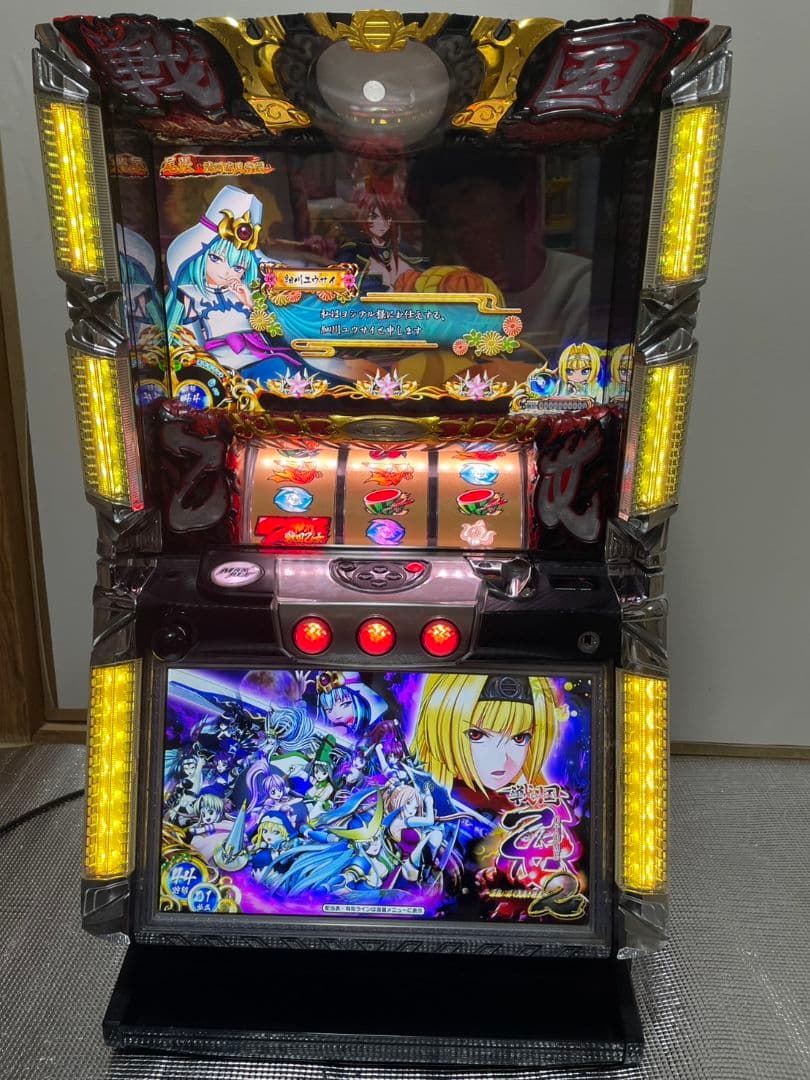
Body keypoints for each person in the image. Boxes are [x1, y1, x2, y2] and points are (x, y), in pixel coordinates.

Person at [165, 185, 297, 379]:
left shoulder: (248, 291)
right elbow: (191, 348)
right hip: (216, 367)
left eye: (238, 267)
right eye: (216, 259)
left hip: (258, 359)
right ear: (200, 256)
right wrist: (191, 316)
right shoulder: (190, 293)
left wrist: (251, 304)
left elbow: (278, 334)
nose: (226, 272)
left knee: (281, 370)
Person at [411, 674, 564, 815]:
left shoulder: (530, 803)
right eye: (476, 735)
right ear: (439, 729)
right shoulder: (419, 796)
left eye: (519, 738)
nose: (501, 760)